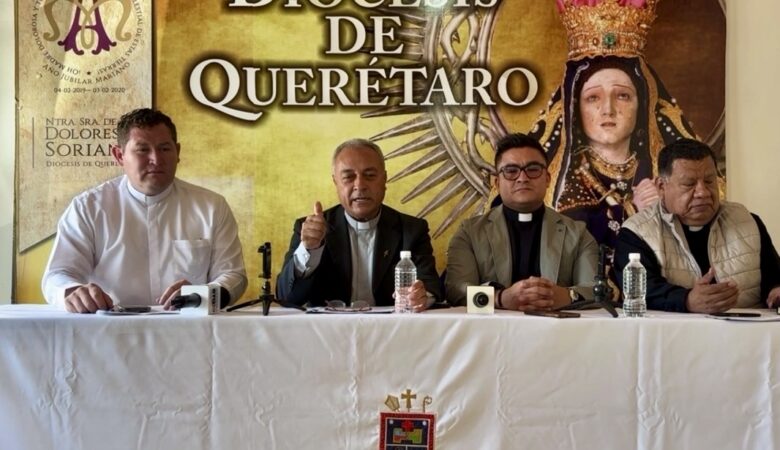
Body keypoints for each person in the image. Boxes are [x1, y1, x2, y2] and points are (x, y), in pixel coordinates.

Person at [530, 0, 699, 284]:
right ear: (575, 108)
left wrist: (667, 209)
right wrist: (633, 211)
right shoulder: (556, 181)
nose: (607, 109)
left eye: (622, 95)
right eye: (593, 98)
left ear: (642, 104)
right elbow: (563, 250)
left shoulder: (665, 174)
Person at [42, 108, 248, 313]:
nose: (156, 159)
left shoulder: (211, 207)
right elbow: (57, 275)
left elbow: (233, 275)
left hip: (188, 327)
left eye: (164, 149)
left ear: (178, 152)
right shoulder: (88, 208)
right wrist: (73, 292)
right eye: (142, 150)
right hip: (111, 327)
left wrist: (203, 294)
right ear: (119, 155)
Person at [614, 139, 780, 313]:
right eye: (689, 184)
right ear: (661, 187)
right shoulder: (637, 232)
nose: (703, 192)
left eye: (709, 181)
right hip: (675, 329)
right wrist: (686, 300)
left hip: (749, 327)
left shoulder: (746, 221)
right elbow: (640, 292)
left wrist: (776, 291)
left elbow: (773, 277)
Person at [276, 138, 441, 309]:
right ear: (336, 182)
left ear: (384, 179)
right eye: (348, 177)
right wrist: (309, 250)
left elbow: (430, 285)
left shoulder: (412, 230)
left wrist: (421, 297)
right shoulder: (310, 229)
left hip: (391, 324)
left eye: (370, 175)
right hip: (330, 325)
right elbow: (286, 297)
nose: (360, 185)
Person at [445, 133, 599, 310]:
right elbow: (456, 291)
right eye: (511, 171)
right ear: (497, 183)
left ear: (547, 179)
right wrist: (500, 298)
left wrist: (567, 296)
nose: (522, 178)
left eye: (532, 169)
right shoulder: (470, 233)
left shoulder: (578, 234)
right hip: (492, 327)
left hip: (556, 326)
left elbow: (596, 290)